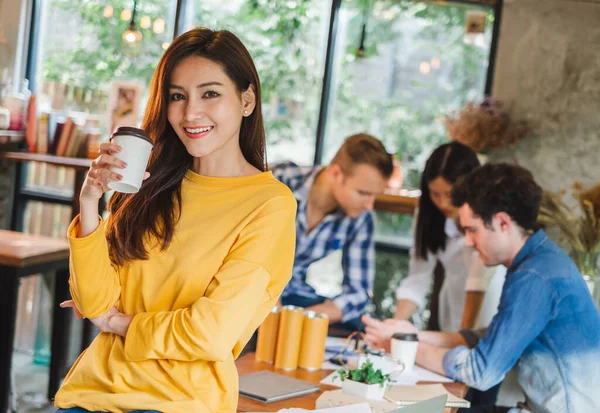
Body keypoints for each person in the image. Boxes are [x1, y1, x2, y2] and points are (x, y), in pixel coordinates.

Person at [54, 28, 297, 413]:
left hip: (178, 403)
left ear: (247, 99)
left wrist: (121, 325)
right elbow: (95, 302)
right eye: (177, 96)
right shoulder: (150, 184)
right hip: (91, 394)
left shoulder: (270, 204)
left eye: (210, 93)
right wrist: (89, 204)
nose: (190, 113)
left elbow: (210, 334)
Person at [365, 163, 600, 413]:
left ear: (502, 222)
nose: (467, 242)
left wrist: (402, 347)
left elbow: (480, 371)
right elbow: (490, 337)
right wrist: (411, 334)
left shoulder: (533, 276)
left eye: (472, 230)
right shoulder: (540, 260)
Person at [272, 134, 394, 329]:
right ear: (336, 173)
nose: (369, 205)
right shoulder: (281, 179)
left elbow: (359, 293)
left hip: (293, 296)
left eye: (374, 195)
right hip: (250, 287)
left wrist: (303, 320)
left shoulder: (361, 218)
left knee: (362, 324)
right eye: (363, 193)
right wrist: (274, 315)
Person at [394, 142, 503, 333]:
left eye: (450, 194)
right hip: (452, 308)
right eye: (435, 194)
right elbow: (418, 277)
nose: (443, 203)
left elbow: (478, 281)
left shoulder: (488, 218)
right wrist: (394, 325)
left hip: (488, 307)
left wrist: (463, 338)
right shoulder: (429, 215)